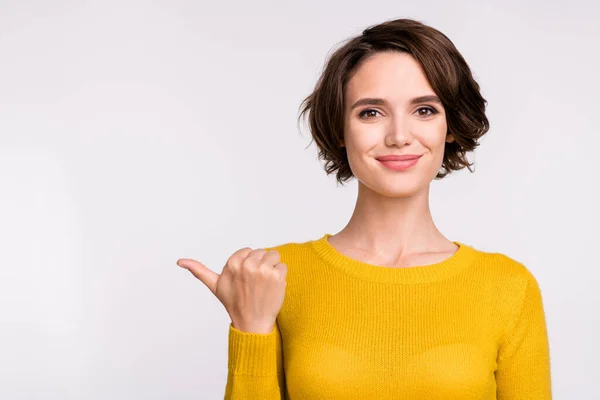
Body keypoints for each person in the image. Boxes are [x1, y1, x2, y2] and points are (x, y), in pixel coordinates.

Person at [177, 17, 552, 399]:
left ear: (451, 126)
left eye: (424, 110)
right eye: (371, 112)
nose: (399, 136)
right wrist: (250, 328)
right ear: (340, 129)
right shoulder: (276, 279)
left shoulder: (508, 288)